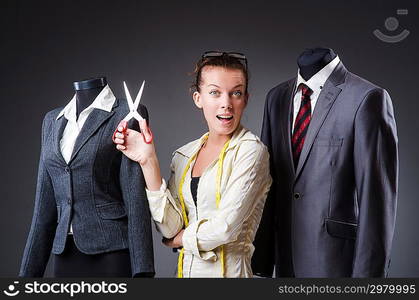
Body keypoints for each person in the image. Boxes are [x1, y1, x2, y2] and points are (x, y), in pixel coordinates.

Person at [113, 51, 272, 277]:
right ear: (198, 98)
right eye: (215, 93)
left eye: (236, 93)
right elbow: (169, 226)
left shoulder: (252, 152)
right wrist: (148, 159)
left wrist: (179, 240)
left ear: (245, 99)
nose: (226, 103)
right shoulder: (184, 155)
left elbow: (224, 228)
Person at [252, 47, 398, 277]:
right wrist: (261, 261)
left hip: (336, 262)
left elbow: (376, 198)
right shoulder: (276, 98)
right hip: (285, 258)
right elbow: (268, 184)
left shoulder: (366, 98)